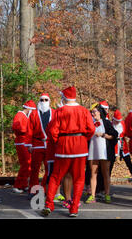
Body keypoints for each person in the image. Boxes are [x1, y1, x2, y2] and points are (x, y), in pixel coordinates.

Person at [41, 86, 95, 217]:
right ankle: (74, 208)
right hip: (80, 147)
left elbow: (52, 130)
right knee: (79, 178)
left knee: (55, 177)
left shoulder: (60, 111)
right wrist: (82, 138)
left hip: (63, 147)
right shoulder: (84, 111)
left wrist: (58, 141)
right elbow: (91, 129)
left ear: (64, 98)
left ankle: (49, 204)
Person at [86, 104, 118, 204]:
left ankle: (107, 194)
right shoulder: (89, 123)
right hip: (93, 150)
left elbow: (114, 136)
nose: (92, 113)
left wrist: (103, 135)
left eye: (94, 111)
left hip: (105, 151)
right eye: (91, 112)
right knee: (93, 173)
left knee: (105, 173)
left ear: (99, 112)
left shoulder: (106, 122)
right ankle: (92, 195)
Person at [27, 93, 55, 197]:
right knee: (35, 169)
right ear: (39, 101)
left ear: (49, 101)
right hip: (37, 144)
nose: (44, 102)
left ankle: (44, 188)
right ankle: (33, 190)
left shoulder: (54, 113)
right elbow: (29, 130)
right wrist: (29, 144)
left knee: (49, 169)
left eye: (46, 100)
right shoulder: (34, 114)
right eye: (42, 100)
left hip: (50, 144)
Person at [12, 100, 36, 193]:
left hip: (26, 142)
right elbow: (16, 127)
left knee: (28, 164)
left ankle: (23, 184)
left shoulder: (26, 116)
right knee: (25, 164)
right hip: (21, 142)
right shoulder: (19, 115)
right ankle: (17, 185)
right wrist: (28, 129)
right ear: (29, 108)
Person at [112, 110, 132, 186]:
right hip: (114, 145)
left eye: (119, 120)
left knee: (129, 162)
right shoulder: (111, 124)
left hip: (123, 144)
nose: (118, 122)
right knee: (110, 164)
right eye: (117, 121)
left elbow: (126, 133)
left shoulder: (123, 123)